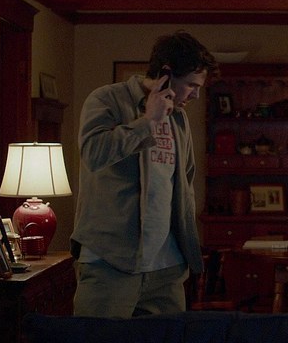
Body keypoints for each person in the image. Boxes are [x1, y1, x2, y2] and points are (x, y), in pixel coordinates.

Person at [71, 31, 218, 318]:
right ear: (167, 74)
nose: (196, 94)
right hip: (110, 264)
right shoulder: (107, 99)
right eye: (191, 84)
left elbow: (184, 184)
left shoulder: (179, 117)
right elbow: (94, 154)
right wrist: (148, 121)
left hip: (167, 269)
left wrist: (187, 255)